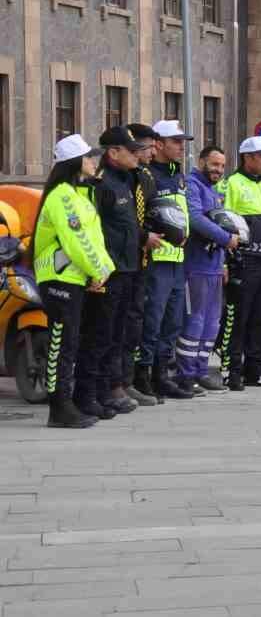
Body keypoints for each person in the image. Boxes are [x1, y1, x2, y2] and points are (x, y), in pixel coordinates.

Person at [33, 134, 116, 428]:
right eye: (89, 157)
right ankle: (59, 407)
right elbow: (76, 240)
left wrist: (102, 270)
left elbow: (95, 240)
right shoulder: (63, 197)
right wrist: (98, 271)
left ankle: (66, 403)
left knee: (70, 342)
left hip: (73, 278)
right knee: (61, 343)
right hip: (58, 278)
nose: (94, 161)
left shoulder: (79, 195)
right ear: (74, 163)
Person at [81, 127, 145, 417]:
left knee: (119, 332)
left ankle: (111, 387)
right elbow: (96, 232)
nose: (136, 155)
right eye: (130, 150)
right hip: (109, 272)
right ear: (113, 152)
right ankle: (95, 392)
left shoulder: (126, 180)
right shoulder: (102, 184)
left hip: (129, 267)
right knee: (101, 334)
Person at [137, 120, 194, 401]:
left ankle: (162, 374)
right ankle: (143, 374)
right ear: (158, 144)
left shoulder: (178, 174)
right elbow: (142, 216)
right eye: (176, 141)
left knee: (173, 322)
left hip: (178, 258)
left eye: (183, 142)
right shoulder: (147, 175)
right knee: (153, 320)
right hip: (156, 259)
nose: (181, 147)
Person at [219, 136, 261, 390]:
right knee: (238, 319)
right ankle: (231, 371)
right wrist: (225, 262)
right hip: (245, 260)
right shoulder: (232, 183)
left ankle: (255, 370)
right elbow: (223, 221)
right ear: (247, 157)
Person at [175, 144, 237, 396]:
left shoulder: (213, 189)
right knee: (195, 321)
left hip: (212, 266)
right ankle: (186, 375)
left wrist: (223, 262)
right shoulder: (192, 185)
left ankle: (201, 371)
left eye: (222, 166)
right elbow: (195, 218)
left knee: (212, 323)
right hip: (195, 265)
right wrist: (225, 238)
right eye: (214, 164)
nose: (218, 170)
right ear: (202, 162)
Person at [118, 123, 162, 407]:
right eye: (145, 148)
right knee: (119, 325)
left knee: (135, 321)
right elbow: (121, 220)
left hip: (141, 259)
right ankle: (116, 383)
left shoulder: (145, 176)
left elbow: (151, 210)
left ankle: (127, 380)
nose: (150, 152)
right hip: (121, 260)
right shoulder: (119, 178)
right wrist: (144, 236)